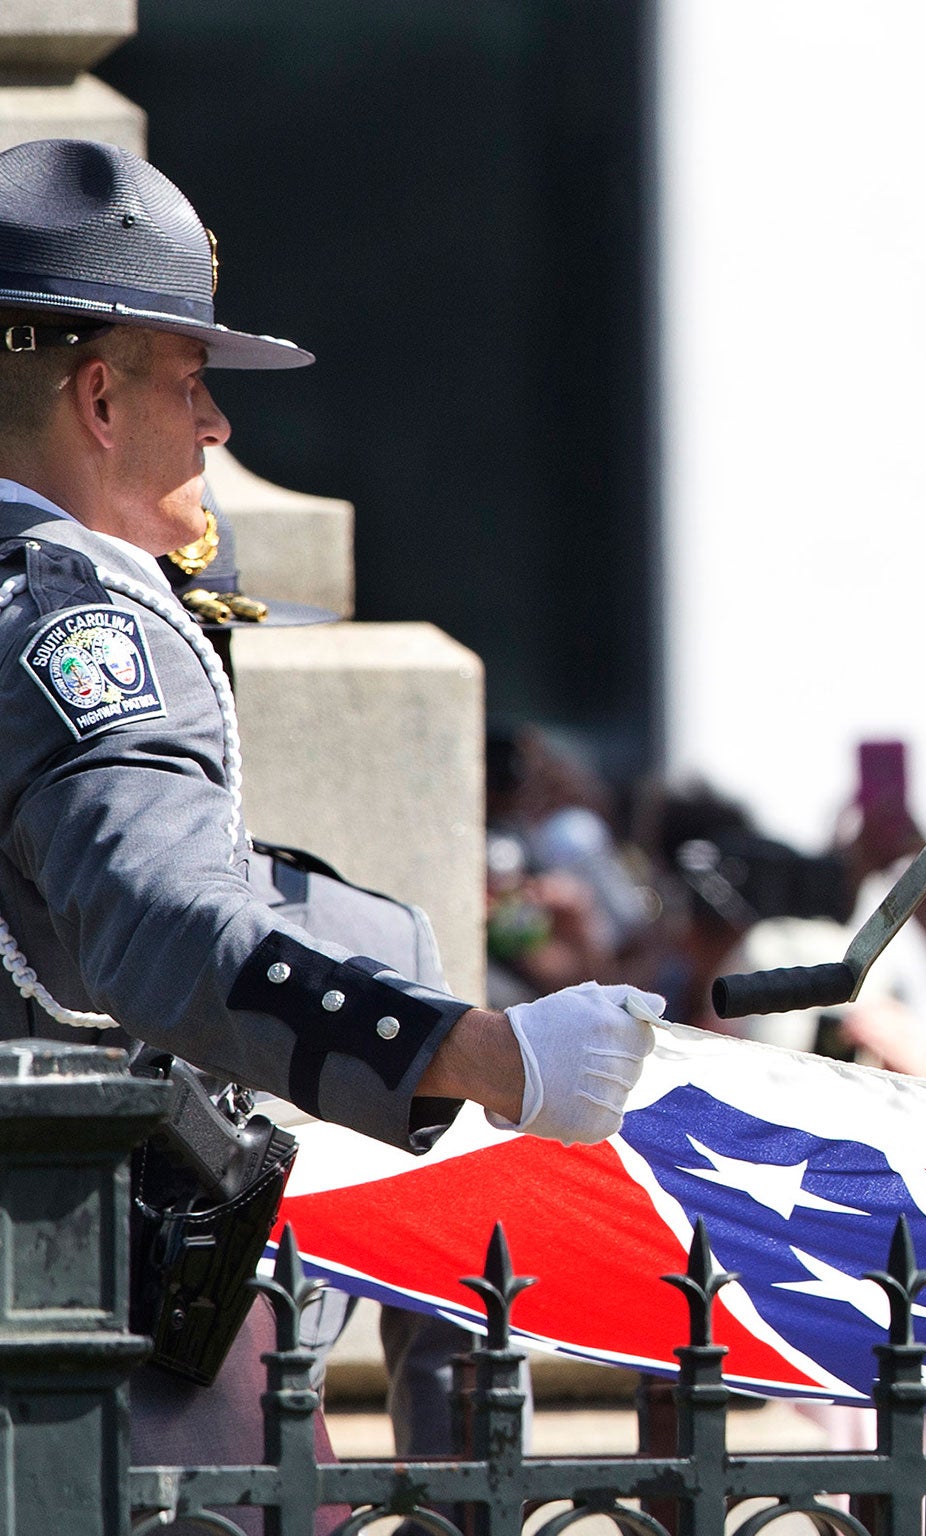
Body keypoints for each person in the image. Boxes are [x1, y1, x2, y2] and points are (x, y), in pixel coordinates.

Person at [0, 139, 661, 1528]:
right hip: (64, 1284)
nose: (219, 429)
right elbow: (159, 920)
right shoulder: (81, 624)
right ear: (102, 400)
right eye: (191, 383)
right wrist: (475, 1053)